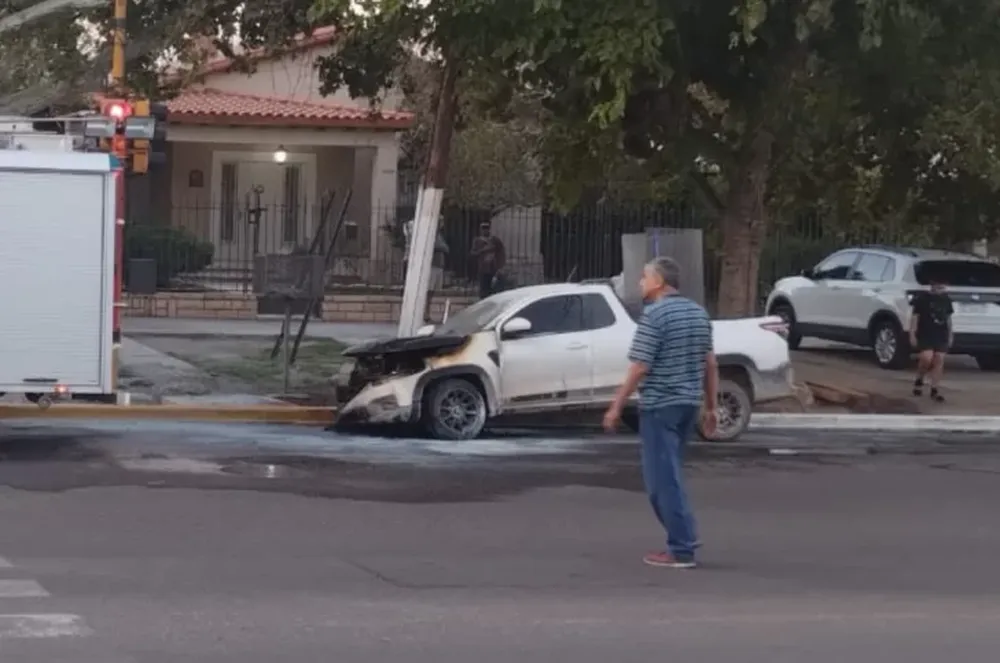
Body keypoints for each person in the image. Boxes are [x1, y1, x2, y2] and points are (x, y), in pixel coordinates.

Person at [603, 257, 718, 570]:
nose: (640, 283)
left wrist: (616, 406)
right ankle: (685, 535)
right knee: (672, 475)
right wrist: (711, 407)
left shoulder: (655, 315)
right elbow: (710, 363)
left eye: (644, 277)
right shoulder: (698, 312)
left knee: (661, 482)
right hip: (688, 406)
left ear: (659, 282)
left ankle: (681, 547)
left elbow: (640, 366)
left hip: (660, 406)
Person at [910, 276, 953, 403]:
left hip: (941, 333)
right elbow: (915, 317)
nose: (941, 289)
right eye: (939, 286)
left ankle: (935, 389)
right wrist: (912, 333)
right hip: (925, 333)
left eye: (943, 287)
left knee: (939, 359)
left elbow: (949, 319)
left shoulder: (946, 300)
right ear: (932, 286)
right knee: (926, 358)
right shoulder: (922, 299)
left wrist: (951, 334)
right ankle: (920, 378)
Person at [469, 222, 505, 299]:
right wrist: (483, 250)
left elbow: (501, 252)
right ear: (480, 230)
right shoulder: (477, 241)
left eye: (487, 228)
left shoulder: (495, 240)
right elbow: (473, 253)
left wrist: (500, 266)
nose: (485, 230)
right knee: (483, 288)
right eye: (483, 229)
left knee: (494, 288)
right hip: (483, 268)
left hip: (494, 268)